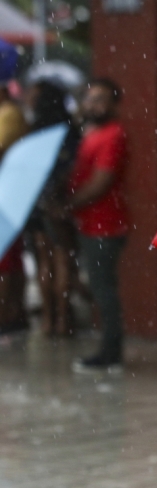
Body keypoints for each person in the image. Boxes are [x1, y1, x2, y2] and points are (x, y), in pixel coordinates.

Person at [69, 78, 129, 373]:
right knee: (98, 286)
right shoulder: (88, 132)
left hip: (105, 224)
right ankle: (108, 349)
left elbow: (100, 182)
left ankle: (111, 352)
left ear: (114, 103)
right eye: (89, 99)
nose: (93, 104)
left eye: (101, 99)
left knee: (104, 290)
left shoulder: (114, 135)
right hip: (89, 222)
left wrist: (69, 204)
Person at [25, 80, 82, 337]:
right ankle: (64, 318)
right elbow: (72, 167)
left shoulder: (34, 133)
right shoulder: (68, 132)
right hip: (58, 202)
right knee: (63, 260)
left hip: (36, 201)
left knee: (44, 262)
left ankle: (49, 319)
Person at [0, 79, 29, 334]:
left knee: (6, 259)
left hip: (7, 192)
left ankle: (8, 314)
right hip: (9, 191)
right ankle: (13, 312)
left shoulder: (9, 114)